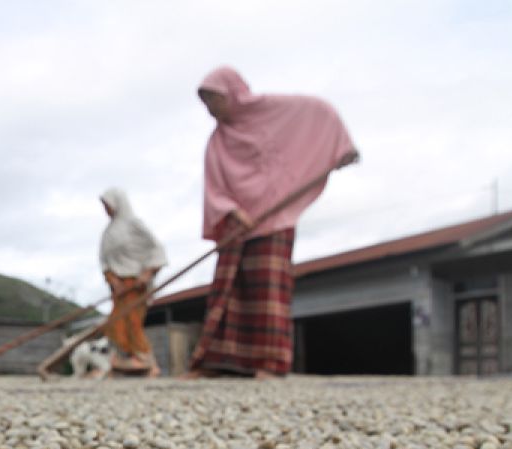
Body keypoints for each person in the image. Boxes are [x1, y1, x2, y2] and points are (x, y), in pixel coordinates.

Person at [185, 66, 358, 379]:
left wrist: (341, 148)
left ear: (232, 93)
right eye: (205, 103)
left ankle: (269, 363)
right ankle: (216, 362)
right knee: (227, 291)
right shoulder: (217, 141)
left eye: (213, 99)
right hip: (236, 224)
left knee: (267, 291)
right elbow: (214, 186)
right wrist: (232, 210)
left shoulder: (275, 111)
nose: (210, 109)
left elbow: (319, 115)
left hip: (273, 218)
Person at [99, 187, 168, 377]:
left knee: (133, 321)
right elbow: (105, 261)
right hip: (118, 287)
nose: (106, 209)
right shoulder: (109, 232)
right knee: (115, 323)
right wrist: (113, 279)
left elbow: (156, 249)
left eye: (108, 205)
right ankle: (127, 359)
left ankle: (146, 360)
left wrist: (147, 273)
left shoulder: (134, 225)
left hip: (135, 285)